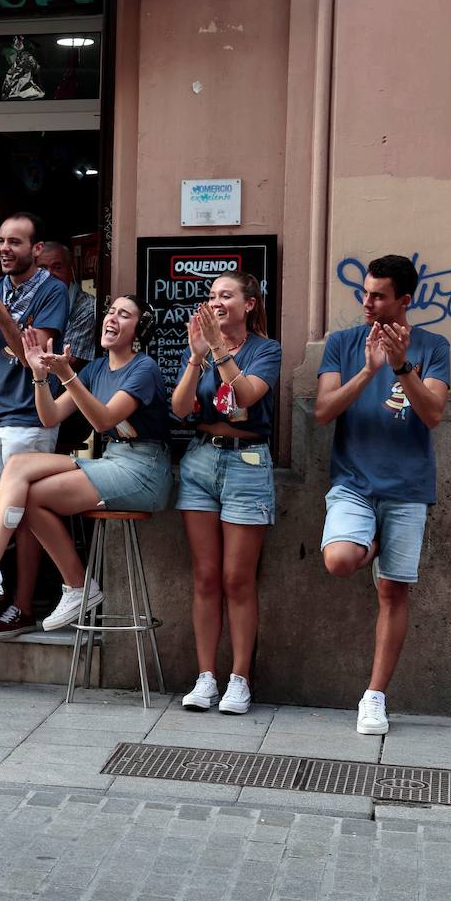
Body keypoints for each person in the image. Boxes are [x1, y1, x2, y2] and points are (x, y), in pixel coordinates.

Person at [0, 295, 172, 633]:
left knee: (25, 480)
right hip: (115, 461)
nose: (112, 318)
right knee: (21, 475)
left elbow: (104, 421)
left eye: (124, 315)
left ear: (138, 330)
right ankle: (58, 582)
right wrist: (40, 375)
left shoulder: (143, 367)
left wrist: (68, 376)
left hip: (145, 470)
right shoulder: (96, 369)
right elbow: (50, 417)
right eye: (110, 311)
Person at [315, 254, 449, 736]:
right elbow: (324, 411)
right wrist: (370, 371)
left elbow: (433, 414)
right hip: (353, 482)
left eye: (378, 295)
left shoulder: (433, 346)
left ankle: (374, 697)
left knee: (393, 590)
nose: (366, 302)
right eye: (365, 292)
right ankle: (367, 543)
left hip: (408, 487)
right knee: (339, 560)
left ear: (404, 300)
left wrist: (401, 366)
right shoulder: (343, 343)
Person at [171, 273, 282, 715]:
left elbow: (248, 395)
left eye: (227, 295)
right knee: (205, 576)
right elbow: (180, 409)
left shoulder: (265, 349)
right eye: (212, 295)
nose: (216, 302)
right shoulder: (198, 345)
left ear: (249, 304)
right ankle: (205, 678)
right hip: (200, 459)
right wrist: (197, 358)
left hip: (247, 462)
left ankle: (240, 679)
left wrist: (218, 349)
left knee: (238, 578)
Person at [0, 213, 69, 637]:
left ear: (36, 250)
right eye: (2, 241)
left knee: (21, 516)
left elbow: (30, 356)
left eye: (15, 242)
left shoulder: (52, 291)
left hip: (29, 417)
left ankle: (21, 605)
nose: (5, 249)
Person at [38, 241, 97, 372]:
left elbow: (66, 363)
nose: (49, 274)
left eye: (57, 267)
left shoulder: (86, 307)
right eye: (42, 269)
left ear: (72, 269)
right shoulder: (30, 300)